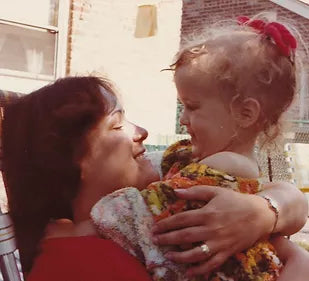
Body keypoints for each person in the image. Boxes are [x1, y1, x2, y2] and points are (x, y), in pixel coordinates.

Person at [89, 14, 308, 280]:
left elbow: (139, 214)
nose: (182, 119)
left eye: (192, 107)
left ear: (245, 113)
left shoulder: (225, 166)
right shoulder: (201, 162)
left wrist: (83, 224)